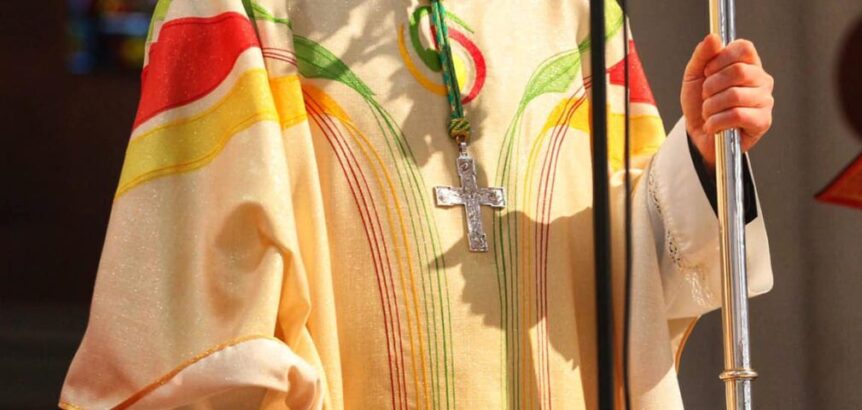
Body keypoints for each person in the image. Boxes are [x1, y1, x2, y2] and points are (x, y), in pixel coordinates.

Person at [60, 0, 775, 408]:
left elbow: (630, 292)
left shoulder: (576, 17)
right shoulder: (242, 8)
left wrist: (706, 157)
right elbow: (197, 329)